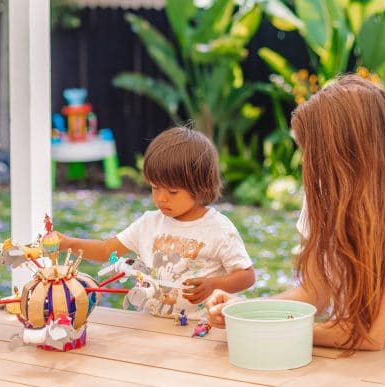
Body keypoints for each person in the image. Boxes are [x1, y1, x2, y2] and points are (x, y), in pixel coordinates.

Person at [206, 75, 385, 353]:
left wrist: (271, 330)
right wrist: (246, 311)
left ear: (347, 153)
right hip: (347, 351)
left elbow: (373, 335)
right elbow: (314, 293)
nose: (307, 162)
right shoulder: (321, 197)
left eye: (313, 151)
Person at [57, 126, 255, 319]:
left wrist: (213, 284)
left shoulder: (219, 229)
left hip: (202, 327)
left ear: (200, 186)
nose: (161, 198)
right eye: (154, 187)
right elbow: (106, 251)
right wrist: (69, 243)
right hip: (152, 325)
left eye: (172, 192)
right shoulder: (148, 224)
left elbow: (246, 276)